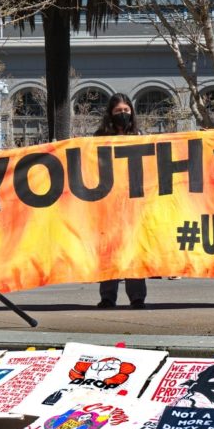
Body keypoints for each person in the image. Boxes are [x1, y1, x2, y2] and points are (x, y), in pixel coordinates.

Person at [93, 93, 148, 309]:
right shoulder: (99, 138)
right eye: (118, 112)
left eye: (126, 111)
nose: (123, 115)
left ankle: (137, 297)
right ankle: (108, 296)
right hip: (108, 203)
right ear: (110, 114)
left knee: (134, 248)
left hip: (134, 203)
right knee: (109, 249)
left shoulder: (141, 136)